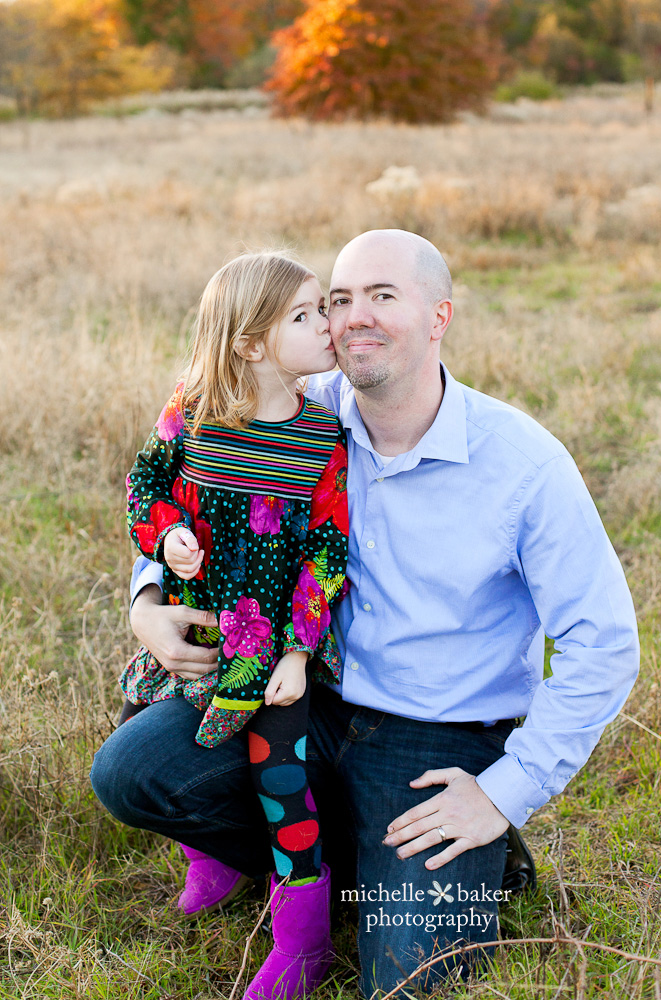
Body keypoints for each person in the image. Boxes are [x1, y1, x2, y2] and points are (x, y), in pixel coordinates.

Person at [91, 230, 640, 998]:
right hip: (301, 697)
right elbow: (198, 487)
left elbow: (601, 641)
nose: (353, 318)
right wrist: (147, 600)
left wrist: (505, 790)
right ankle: (330, 862)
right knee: (132, 773)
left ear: (438, 316)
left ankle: (477, 853)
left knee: (407, 981)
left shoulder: (523, 464)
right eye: (338, 300)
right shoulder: (298, 408)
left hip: (434, 738)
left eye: (383, 296)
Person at [117, 251, 349, 1000]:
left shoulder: (321, 438)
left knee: (278, 780)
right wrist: (164, 534)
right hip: (199, 636)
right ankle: (208, 857)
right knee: (142, 721)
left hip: (270, 654)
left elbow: (326, 550)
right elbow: (146, 479)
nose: (329, 326)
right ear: (250, 343)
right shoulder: (191, 410)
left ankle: (302, 939)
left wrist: (297, 652)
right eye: (306, 315)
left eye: (324, 309)